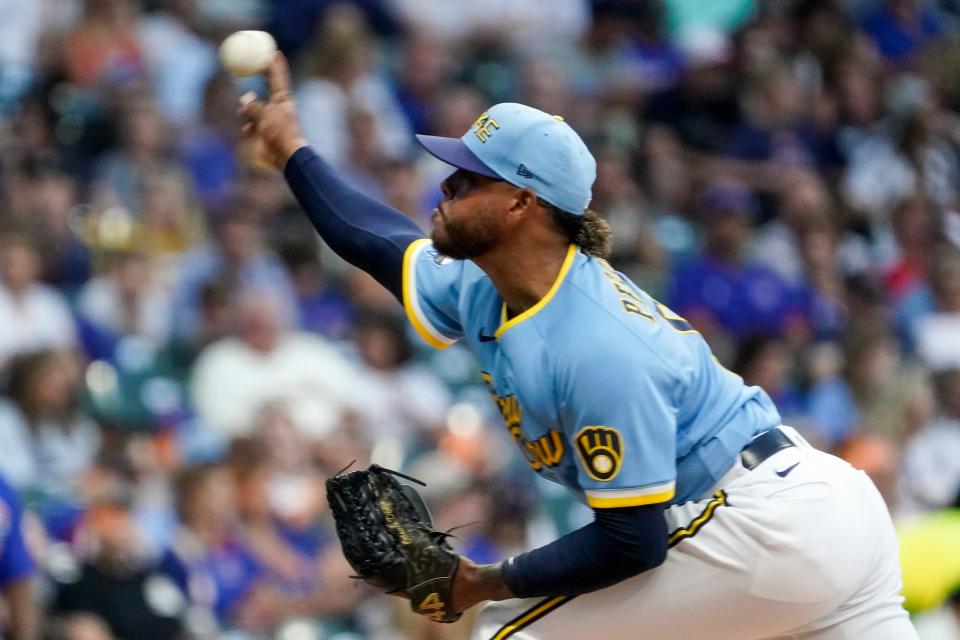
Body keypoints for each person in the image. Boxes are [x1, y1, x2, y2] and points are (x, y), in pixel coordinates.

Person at [238, 54, 919, 639]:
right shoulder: (489, 284)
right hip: (810, 508)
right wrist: (294, 150)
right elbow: (379, 241)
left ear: (522, 204)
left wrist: (482, 581)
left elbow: (633, 542)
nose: (443, 185)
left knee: (511, 633)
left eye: (468, 179)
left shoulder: (595, 344)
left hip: (763, 521)